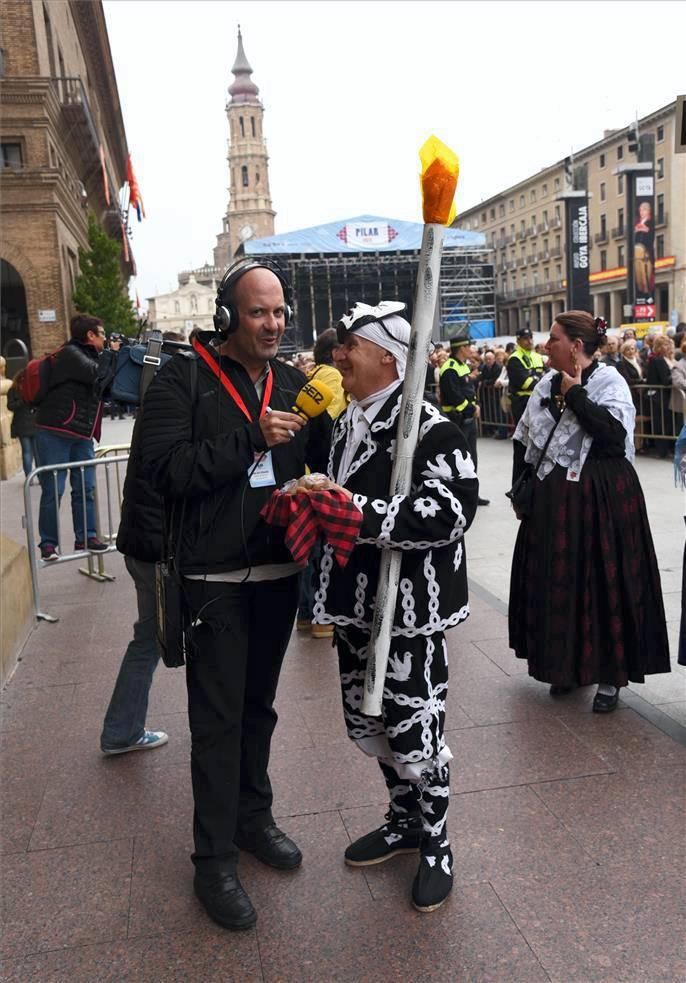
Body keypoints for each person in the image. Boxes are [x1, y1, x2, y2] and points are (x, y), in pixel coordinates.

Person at [140, 260, 331, 931]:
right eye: (259, 312)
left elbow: (308, 460)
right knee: (217, 723)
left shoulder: (294, 382)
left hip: (279, 574)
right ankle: (212, 859)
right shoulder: (182, 379)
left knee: (258, 710)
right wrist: (250, 437)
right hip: (212, 580)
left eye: (279, 312)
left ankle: (254, 818)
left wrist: (315, 478)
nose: (274, 324)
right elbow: (167, 471)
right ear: (228, 317)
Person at [311, 300, 478, 912]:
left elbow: (453, 510)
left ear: (385, 358)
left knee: (415, 730)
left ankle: (436, 841)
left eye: (348, 346)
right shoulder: (345, 422)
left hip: (408, 613)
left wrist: (357, 514)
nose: (337, 355)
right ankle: (403, 819)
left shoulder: (432, 428)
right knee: (369, 720)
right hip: (355, 606)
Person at [509, 311, 670, 713]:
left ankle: (610, 677)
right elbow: (524, 438)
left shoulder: (610, 382)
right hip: (553, 503)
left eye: (555, 339)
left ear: (576, 347)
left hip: (602, 500)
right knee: (558, 583)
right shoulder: (544, 383)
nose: (547, 346)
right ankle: (565, 667)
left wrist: (577, 395)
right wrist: (520, 491)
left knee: (603, 584)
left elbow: (615, 438)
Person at [99, 336, 191, 756]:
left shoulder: (153, 421)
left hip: (144, 545)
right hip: (156, 549)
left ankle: (122, 729)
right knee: (151, 638)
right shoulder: (170, 425)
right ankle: (121, 730)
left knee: (151, 636)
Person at [34, 314, 115, 560]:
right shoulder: (70, 354)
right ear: (90, 335)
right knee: (53, 490)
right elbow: (96, 374)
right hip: (55, 431)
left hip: (81, 434)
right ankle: (48, 544)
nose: (105, 338)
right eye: (102, 334)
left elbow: (109, 388)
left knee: (86, 488)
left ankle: (87, 537)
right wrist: (113, 355)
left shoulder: (94, 357)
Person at [295, 326, 346, 639]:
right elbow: (329, 432)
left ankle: (305, 613)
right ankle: (321, 616)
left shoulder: (314, 377)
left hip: (304, 473)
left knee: (310, 546)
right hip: (321, 476)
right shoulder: (335, 380)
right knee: (323, 547)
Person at [439, 331, 489, 505]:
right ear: (461, 348)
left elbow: (467, 390)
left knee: (471, 458)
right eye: (468, 346)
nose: (471, 349)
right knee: (458, 460)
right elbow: (454, 396)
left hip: (467, 418)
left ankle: (472, 495)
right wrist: (470, 408)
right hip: (457, 419)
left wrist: (474, 406)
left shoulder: (462, 365)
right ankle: (459, 496)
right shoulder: (449, 368)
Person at [506, 327, 545, 425]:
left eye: (531, 338)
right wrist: (540, 380)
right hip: (522, 402)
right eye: (526, 339)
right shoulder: (514, 359)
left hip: (538, 400)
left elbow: (547, 375)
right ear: (518, 341)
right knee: (523, 436)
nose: (530, 341)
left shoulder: (537, 356)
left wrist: (536, 379)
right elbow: (525, 383)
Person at [646, 335, 677, 457]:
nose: (667, 346)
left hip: (667, 396)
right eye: (664, 344)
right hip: (660, 396)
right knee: (662, 423)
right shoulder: (658, 360)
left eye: (668, 344)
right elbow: (665, 380)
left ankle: (667, 448)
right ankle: (662, 450)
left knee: (668, 422)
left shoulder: (668, 359)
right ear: (658, 347)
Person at [7, 373, 39, 476]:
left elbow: (10, 406)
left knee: (27, 452)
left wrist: (20, 402)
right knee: (35, 452)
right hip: (33, 424)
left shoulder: (13, 390)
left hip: (22, 425)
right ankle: (40, 476)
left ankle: (29, 477)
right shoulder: (32, 389)